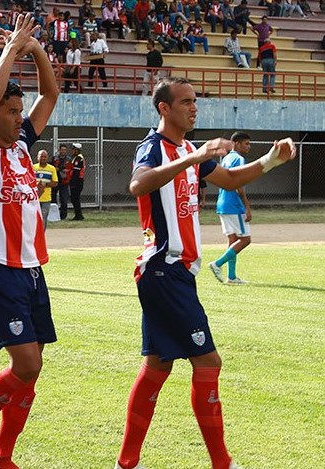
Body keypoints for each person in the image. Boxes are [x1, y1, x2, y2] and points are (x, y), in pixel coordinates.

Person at [114, 76, 296, 469]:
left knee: (158, 366)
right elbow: (137, 184)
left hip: (173, 274)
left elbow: (230, 178)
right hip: (164, 269)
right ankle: (222, 463)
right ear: (164, 108)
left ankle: (127, 462)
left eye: (195, 101)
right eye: (185, 102)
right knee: (208, 363)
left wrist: (271, 160)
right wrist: (193, 159)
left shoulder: (188, 148)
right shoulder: (155, 147)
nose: (193, 108)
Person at [0, 14, 59, 469]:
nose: (18, 117)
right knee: (25, 366)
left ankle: (2, 456)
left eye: (19, 111)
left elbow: (50, 94)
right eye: (10, 111)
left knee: (32, 370)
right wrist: (8, 54)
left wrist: (37, 50)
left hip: (31, 269)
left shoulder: (24, 142)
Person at [209, 131, 253, 285]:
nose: (249, 146)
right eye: (246, 143)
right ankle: (217, 264)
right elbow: (239, 186)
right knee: (245, 240)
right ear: (236, 143)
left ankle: (232, 277)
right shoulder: (239, 159)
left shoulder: (226, 158)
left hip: (223, 203)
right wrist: (247, 206)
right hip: (234, 205)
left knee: (233, 240)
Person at [35, 149, 58, 230]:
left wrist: (44, 185)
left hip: (46, 198)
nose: (43, 158)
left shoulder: (52, 168)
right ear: (37, 157)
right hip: (35, 198)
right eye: (41, 156)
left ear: (47, 158)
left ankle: (42, 236)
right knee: (34, 218)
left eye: (45, 157)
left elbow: (55, 183)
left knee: (43, 218)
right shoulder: (32, 167)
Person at [53, 143, 71, 220]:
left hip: (64, 181)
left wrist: (60, 169)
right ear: (59, 150)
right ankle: (54, 215)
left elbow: (69, 169)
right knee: (53, 198)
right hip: (56, 180)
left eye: (64, 150)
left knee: (64, 199)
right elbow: (52, 167)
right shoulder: (55, 158)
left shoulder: (69, 159)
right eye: (62, 150)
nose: (63, 151)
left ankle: (63, 216)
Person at [69, 142, 85, 220]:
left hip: (77, 181)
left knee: (75, 198)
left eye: (73, 149)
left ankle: (78, 215)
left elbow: (76, 172)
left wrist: (73, 182)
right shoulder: (76, 158)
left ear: (77, 150)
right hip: (76, 180)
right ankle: (78, 214)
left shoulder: (78, 158)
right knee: (74, 198)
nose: (72, 151)